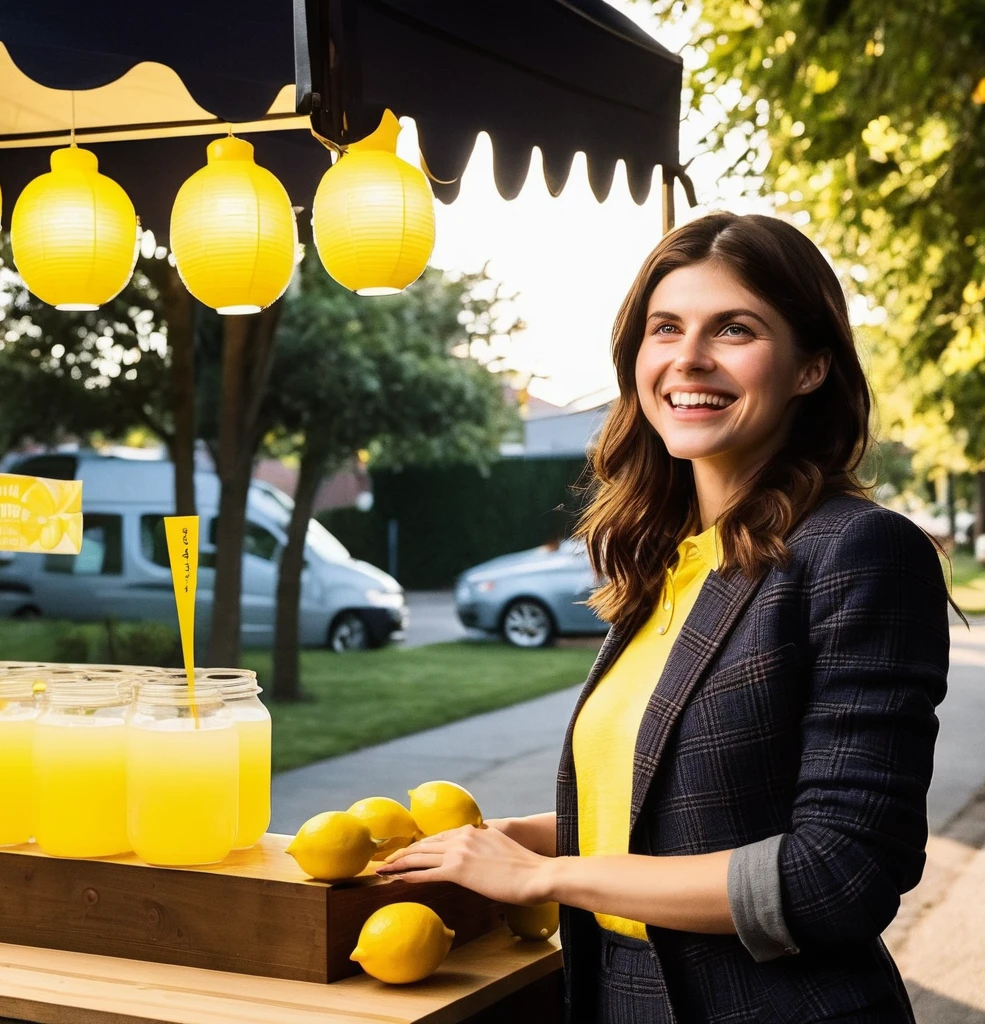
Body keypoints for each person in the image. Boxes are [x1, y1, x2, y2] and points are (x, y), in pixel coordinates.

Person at [376, 212, 955, 1023]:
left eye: (735, 329)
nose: (689, 358)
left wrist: (545, 878)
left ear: (811, 367)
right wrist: (516, 838)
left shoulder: (859, 552)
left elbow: (840, 874)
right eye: (666, 328)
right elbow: (674, 811)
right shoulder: (670, 560)